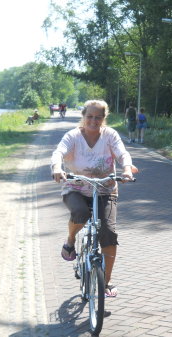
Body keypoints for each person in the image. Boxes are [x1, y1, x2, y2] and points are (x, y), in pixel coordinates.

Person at [51, 99, 138, 297]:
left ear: (103, 118)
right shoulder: (73, 136)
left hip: (105, 190)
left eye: (98, 117)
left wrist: (126, 169)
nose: (93, 121)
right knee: (80, 213)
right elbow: (59, 153)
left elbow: (122, 154)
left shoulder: (110, 136)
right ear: (83, 117)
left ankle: (105, 282)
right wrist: (57, 168)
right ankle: (71, 240)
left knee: (108, 233)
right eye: (89, 116)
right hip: (76, 188)